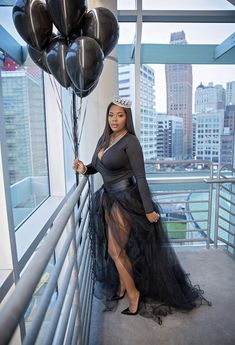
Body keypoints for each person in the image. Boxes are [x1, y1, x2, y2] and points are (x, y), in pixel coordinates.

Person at [73, 96, 211, 323]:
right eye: (111, 114)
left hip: (127, 199)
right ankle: (124, 286)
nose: (115, 119)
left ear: (127, 118)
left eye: (120, 115)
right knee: (115, 251)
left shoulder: (130, 142)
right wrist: (83, 169)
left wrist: (148, 209)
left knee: (115, 251)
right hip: (109, 198)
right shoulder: (105, 138)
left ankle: (134, 294)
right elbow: (96, 168)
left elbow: (141, 177)